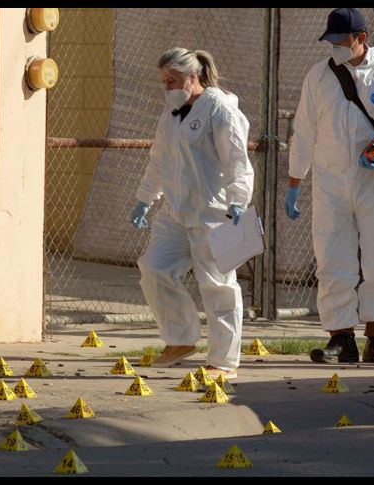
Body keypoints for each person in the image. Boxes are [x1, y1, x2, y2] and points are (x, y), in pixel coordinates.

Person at [285, 8, 374, 363]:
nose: (335, 48)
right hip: (329, 184)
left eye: (341, 41)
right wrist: (296, 180)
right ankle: (340, 338)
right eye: (331, 42)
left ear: (361, 38)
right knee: (332, 260)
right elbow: (305, 130)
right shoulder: (319, 76)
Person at [130, 47, 254, 379]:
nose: (167, 87)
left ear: (193, 77)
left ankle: (224, 362)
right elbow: (159, 159)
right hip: (175, 212)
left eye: (173, 80)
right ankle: (181, 339)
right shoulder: (170, 114)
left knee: (218, 285)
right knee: (154, 267)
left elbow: (237, 160)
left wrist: (238, 199)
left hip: (213, 212)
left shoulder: (220, 108)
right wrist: (145, 198)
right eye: (164, 81)